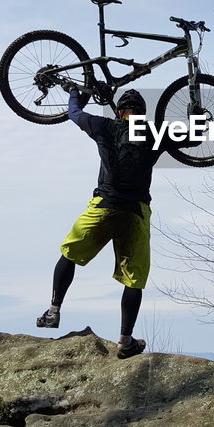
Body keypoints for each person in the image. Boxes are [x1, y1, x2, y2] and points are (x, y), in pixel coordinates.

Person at [35, 85, 189, 359]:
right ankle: (125, 341)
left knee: (69, 253)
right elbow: (195, 138)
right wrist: (195, 115)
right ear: (143, 114)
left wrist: (75, 93)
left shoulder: (104, 126)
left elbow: (73, 113)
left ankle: (53, 312)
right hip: (136, 213)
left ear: (120, 112)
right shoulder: (155, 132)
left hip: (103, 207)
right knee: (135, 280)